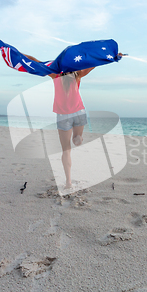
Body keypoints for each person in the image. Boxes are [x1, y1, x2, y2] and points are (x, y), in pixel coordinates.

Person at [23, 53, 122, 190]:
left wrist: (17, 52)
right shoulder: (78, 73)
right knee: (77, 140)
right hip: (78, 112)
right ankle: (78, 138)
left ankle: (68, 182)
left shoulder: (55, 74)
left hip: (63, 115)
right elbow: (96, 62)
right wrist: (113, 56)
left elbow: (36, 61)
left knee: (66, 150)